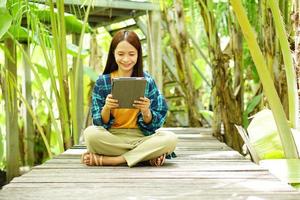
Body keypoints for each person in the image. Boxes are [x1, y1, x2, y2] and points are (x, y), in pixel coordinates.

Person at [81, 30, 177, 167]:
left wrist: (146, 111)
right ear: (113, 54)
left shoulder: (147, 81)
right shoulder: (103, 82)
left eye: (131, 54)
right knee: (90, 134)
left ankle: (114, 160)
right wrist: (107, 108)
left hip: (141, 138)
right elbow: (99, 123)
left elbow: (156, 123)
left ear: (138, 54)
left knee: (170, 139)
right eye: (121, 54)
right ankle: (144, 156)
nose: (126, 59)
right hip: (112, 137)